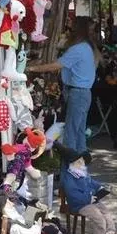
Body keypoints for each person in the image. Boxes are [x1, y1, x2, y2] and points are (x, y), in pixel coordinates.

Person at [28, 17, 100, 155]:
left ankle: (69, 169)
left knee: (71, 134)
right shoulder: (87, 47)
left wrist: (32, 69)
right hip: (83, 93)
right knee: (79, 132)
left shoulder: (78, 49)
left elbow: (56, 65)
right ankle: (79, 167)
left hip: (77, 93)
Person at [57, 144, 117, 234]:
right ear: (71, 164)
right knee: (98, 216)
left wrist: (101, 188)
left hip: (92, 200)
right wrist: (88, 198)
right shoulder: (69, 178)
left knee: (106, 213)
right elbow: (73, 195)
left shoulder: (83, 173)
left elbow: (92, 182)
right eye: (79, 161)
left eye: (82, 161)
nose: (82, 163)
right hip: (79, 205)